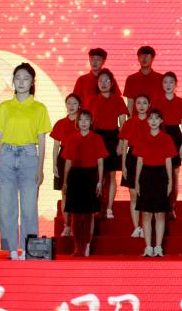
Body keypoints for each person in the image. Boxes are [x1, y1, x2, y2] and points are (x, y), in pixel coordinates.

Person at [0, 63, 52, 259]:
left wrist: (40, 168)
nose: (21, 82)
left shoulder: (39, 108)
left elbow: (42, 140)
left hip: (29, 157)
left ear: (32, 82)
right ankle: (10, 250)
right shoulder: (4, 107)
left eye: (26, 78)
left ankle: (29, 250)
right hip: (7, 156)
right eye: (17, 78)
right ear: (13, 81)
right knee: (6, 207)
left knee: (29, 208)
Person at [61, 109, 107, 257]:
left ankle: (86, 244)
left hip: (90, 176)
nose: (84, 123)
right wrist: (65, 182)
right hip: (75, 176)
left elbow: (100, 162)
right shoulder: (71, 139)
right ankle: (77, 246)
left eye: (87, 120)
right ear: (77, 122)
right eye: (81, 120)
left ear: (91, 122)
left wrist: (99, 181)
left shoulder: (97, 139)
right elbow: (68, 162)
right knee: (75, 215)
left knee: (88, 215)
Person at [134, 108, 177, 257]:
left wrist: (170, 181)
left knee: (160, 213)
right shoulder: (141, 138)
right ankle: (148, 247)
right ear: (147, 121)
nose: (153, 121)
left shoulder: (167, 138)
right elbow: (139, 161)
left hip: (161, 175)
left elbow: (168, 161)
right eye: (151, 118)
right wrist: (137, 181)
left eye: (156, 118)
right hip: (146, 175)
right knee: (146, 213)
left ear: (161, 121)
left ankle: (158, 247)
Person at [87, 69, 128, 219]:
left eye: (107, 81)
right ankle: (97, 206)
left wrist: (121, 143)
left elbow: (123, 124)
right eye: (101, 81)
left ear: (112, 83)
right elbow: (86, 122)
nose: (103, 83)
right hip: (96, 137)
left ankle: (109, 208)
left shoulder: (118, 100)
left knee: (111, 174)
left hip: (112, 137)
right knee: (97, 174)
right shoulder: (91, 100)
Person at [159, 72, 182, 216]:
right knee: (161, 173)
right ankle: (161, 206)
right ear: (162, 84)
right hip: (160, 136)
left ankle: (172, 206)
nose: (168, 85)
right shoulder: (157, 101)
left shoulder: (181, 102)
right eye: (165, 82)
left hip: (175, 137)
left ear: (176, 84)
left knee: (174, 174)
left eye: (171, 82)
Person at [119, 94, 151, 239]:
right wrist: (124, 166)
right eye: (138, 103)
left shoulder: (153, 121)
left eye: (144, 103)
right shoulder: (129, 123)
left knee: (145, 195)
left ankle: (146, 227)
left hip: (149, 159)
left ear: (149, 105)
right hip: (132, 158)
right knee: (133, 195)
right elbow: (124, 145)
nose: (141, 106)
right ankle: (136, 227)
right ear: (135, 105)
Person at [51, 93, 82, 236]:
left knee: (78, 194)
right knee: (65, 193)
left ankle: (78, 226)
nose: (71, 106)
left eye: (74, 103)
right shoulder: (60, 123)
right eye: (69, 103)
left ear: (79, 106)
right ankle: (67, 225)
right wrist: (54, 164)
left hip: (79, 158)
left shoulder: (83, 123)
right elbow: (56, 146)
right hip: (63, 158)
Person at [123, 45, 164, 113]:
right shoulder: (131, 79)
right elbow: (130, 104)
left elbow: (164, 103)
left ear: (153, 58)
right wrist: (130, 119)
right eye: (141, 56)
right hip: (136, 118)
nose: (144, 59)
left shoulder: (161, 79)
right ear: (138, 59)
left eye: (147, 56)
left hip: (155, 118)